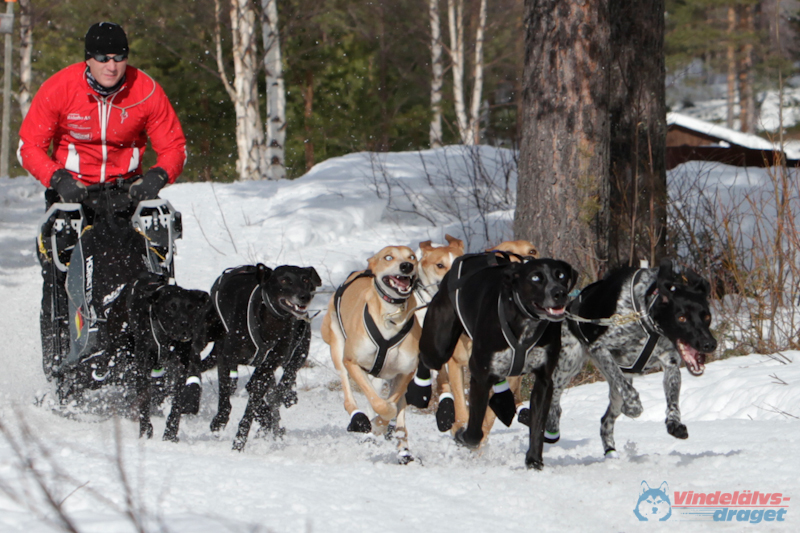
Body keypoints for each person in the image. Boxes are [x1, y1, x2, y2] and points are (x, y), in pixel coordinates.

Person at [18, 21, 187, 379]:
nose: (112, 66)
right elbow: (28, 147)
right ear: (88, 59)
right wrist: (58, 178)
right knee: (60, 273)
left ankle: (159, 356)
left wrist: (157, 176)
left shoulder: (145, 90)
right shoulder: (60, 88)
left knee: (152, 263)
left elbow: (174, 147)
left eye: (119, 57)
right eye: (102, 57)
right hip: (73, 195)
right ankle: (59, 366)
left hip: (127, 193)